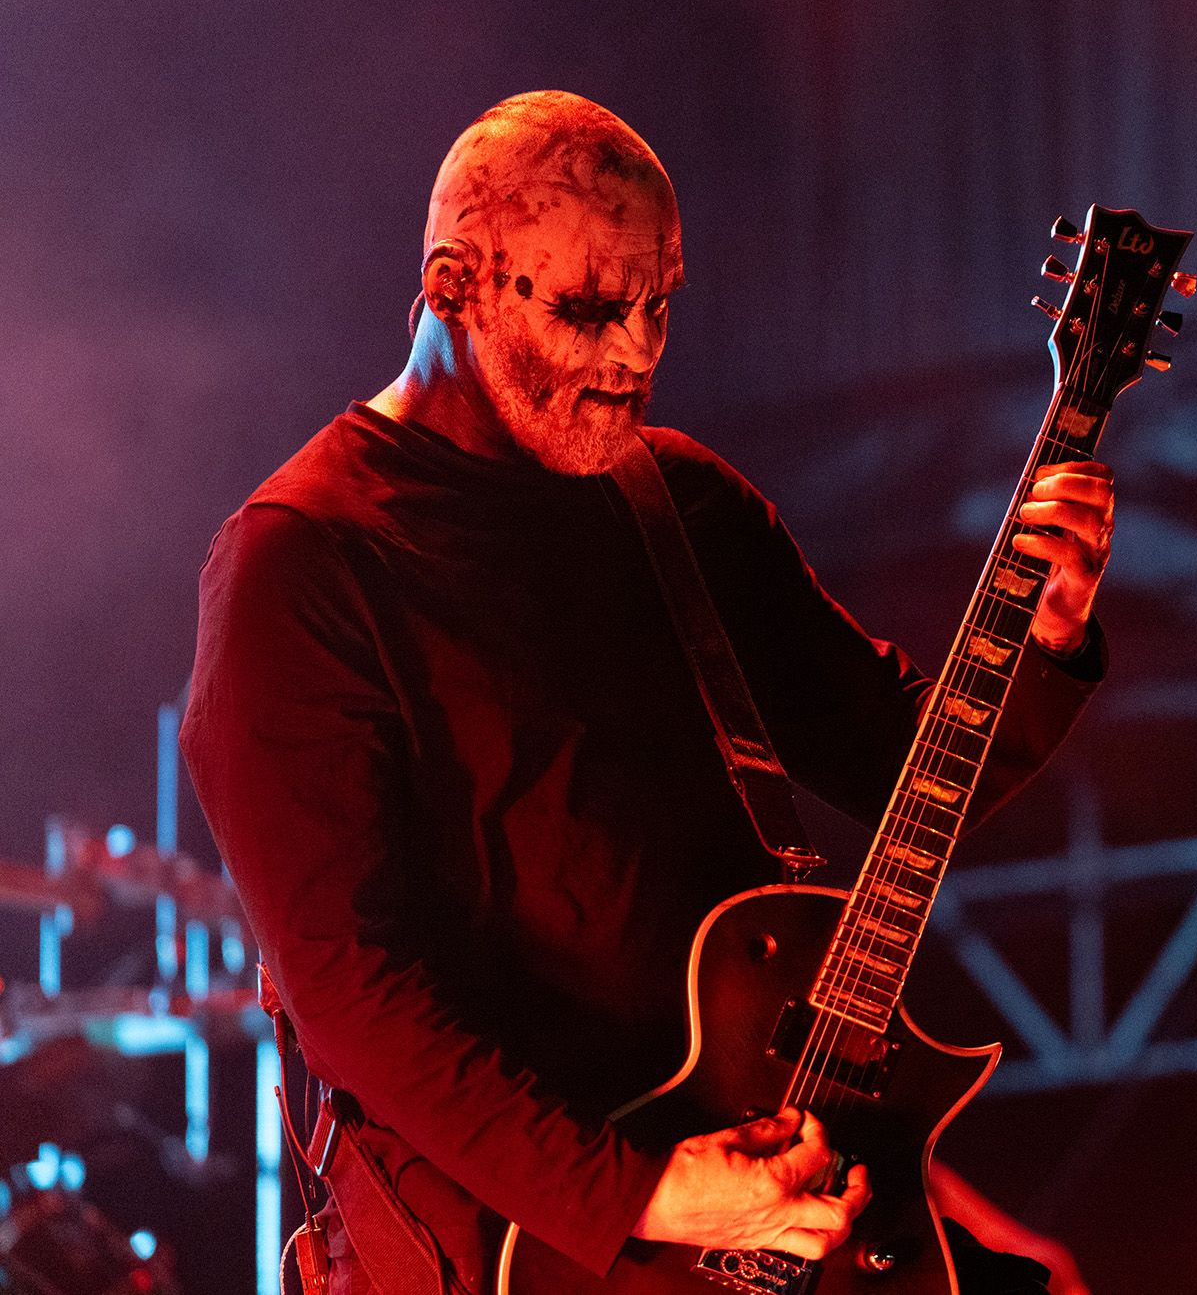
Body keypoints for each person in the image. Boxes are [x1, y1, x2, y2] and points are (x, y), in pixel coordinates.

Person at [180, 91, 1111, 1294]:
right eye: (586, 310)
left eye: (658, 304)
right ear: (456, 284)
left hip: (772, 1202)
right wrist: (645, 1192)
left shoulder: (679, 502)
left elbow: (902, 767)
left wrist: (1044, 636)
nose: (635, 351)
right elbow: (352, 991)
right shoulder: (303, 560)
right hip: (516, 1241)